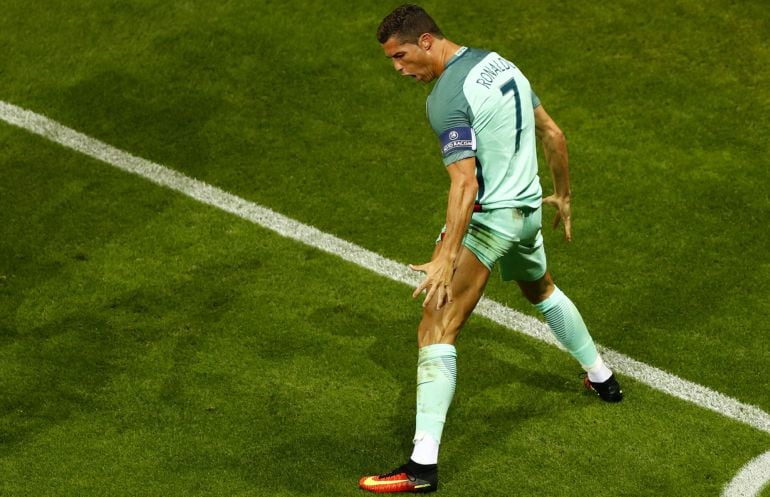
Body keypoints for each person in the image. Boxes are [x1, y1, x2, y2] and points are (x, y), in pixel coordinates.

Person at [359, 4, 623, 494]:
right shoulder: (502, 64)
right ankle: (602, 377)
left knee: (437, 325)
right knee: (541, 288)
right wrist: (562, 196)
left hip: (490, 220)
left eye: (398, 56)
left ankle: (421, 468)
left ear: (425, 42)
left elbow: (464, 184)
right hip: (527, 216)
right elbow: (554, 133)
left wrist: (445, 257)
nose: (397, 69)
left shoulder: (446, 97)